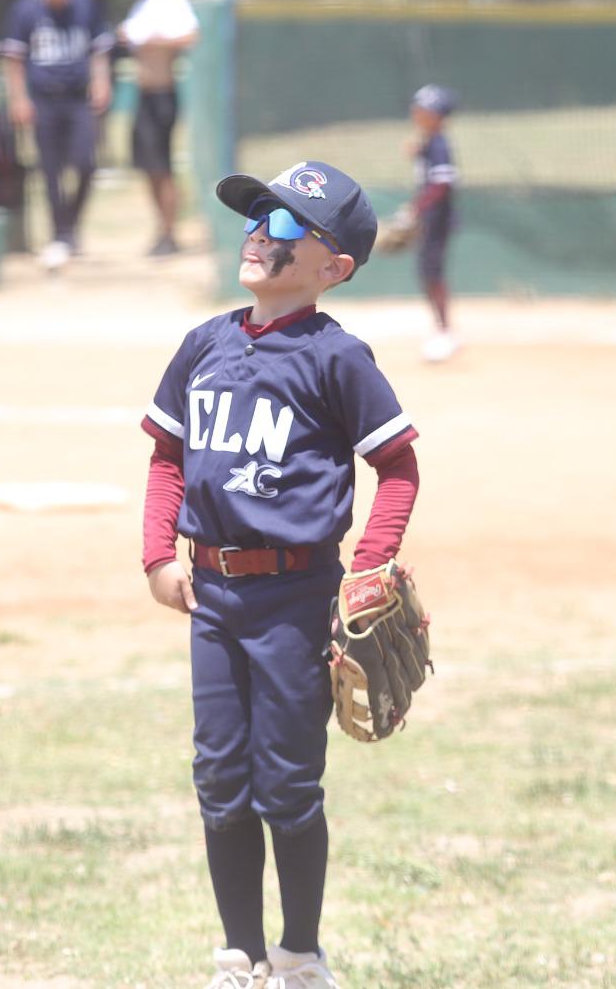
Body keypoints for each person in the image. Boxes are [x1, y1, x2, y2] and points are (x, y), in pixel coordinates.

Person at [140, 160, 419, 989]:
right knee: (220, 779)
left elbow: (398, 469)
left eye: (290, 223)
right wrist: (158, 553)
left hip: (297, 600)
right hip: (214, 596)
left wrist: (368, 567)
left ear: (336, 266)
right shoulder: (205, 344)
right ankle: (240, 955)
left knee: (290, 786)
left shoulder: (338, 358)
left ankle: (299, 956)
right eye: (259, 216)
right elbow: (167, 457)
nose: (263, 233)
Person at [0, 0, 113, 271]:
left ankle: (70, 225)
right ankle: (61, 233)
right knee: (50, 170)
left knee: (86, 163)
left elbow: (99, 50)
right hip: (43, 99)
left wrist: (101, 81)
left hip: (78, 98)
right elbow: (13, 58)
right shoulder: (25, 10)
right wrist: (18, 99)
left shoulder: (86, 7)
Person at [120, 0, 200, 256]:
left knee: (163, 166)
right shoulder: (141, 5)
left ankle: (170, 231)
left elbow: (190, 35)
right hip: (144, 94)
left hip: (162, 93)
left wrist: (155, 42)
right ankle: (162, 227)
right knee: (148, 166)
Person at [405, 84, 459, 363]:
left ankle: (445, 332)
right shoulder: (430, 143)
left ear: (437, 115)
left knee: (433, 275)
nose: (417, 113)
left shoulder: (439, 144)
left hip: (437, 219)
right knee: (427, 274)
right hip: (431, 218)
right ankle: (441, 329)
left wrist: (415, 210)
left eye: (424, 109)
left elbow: (441, 184)